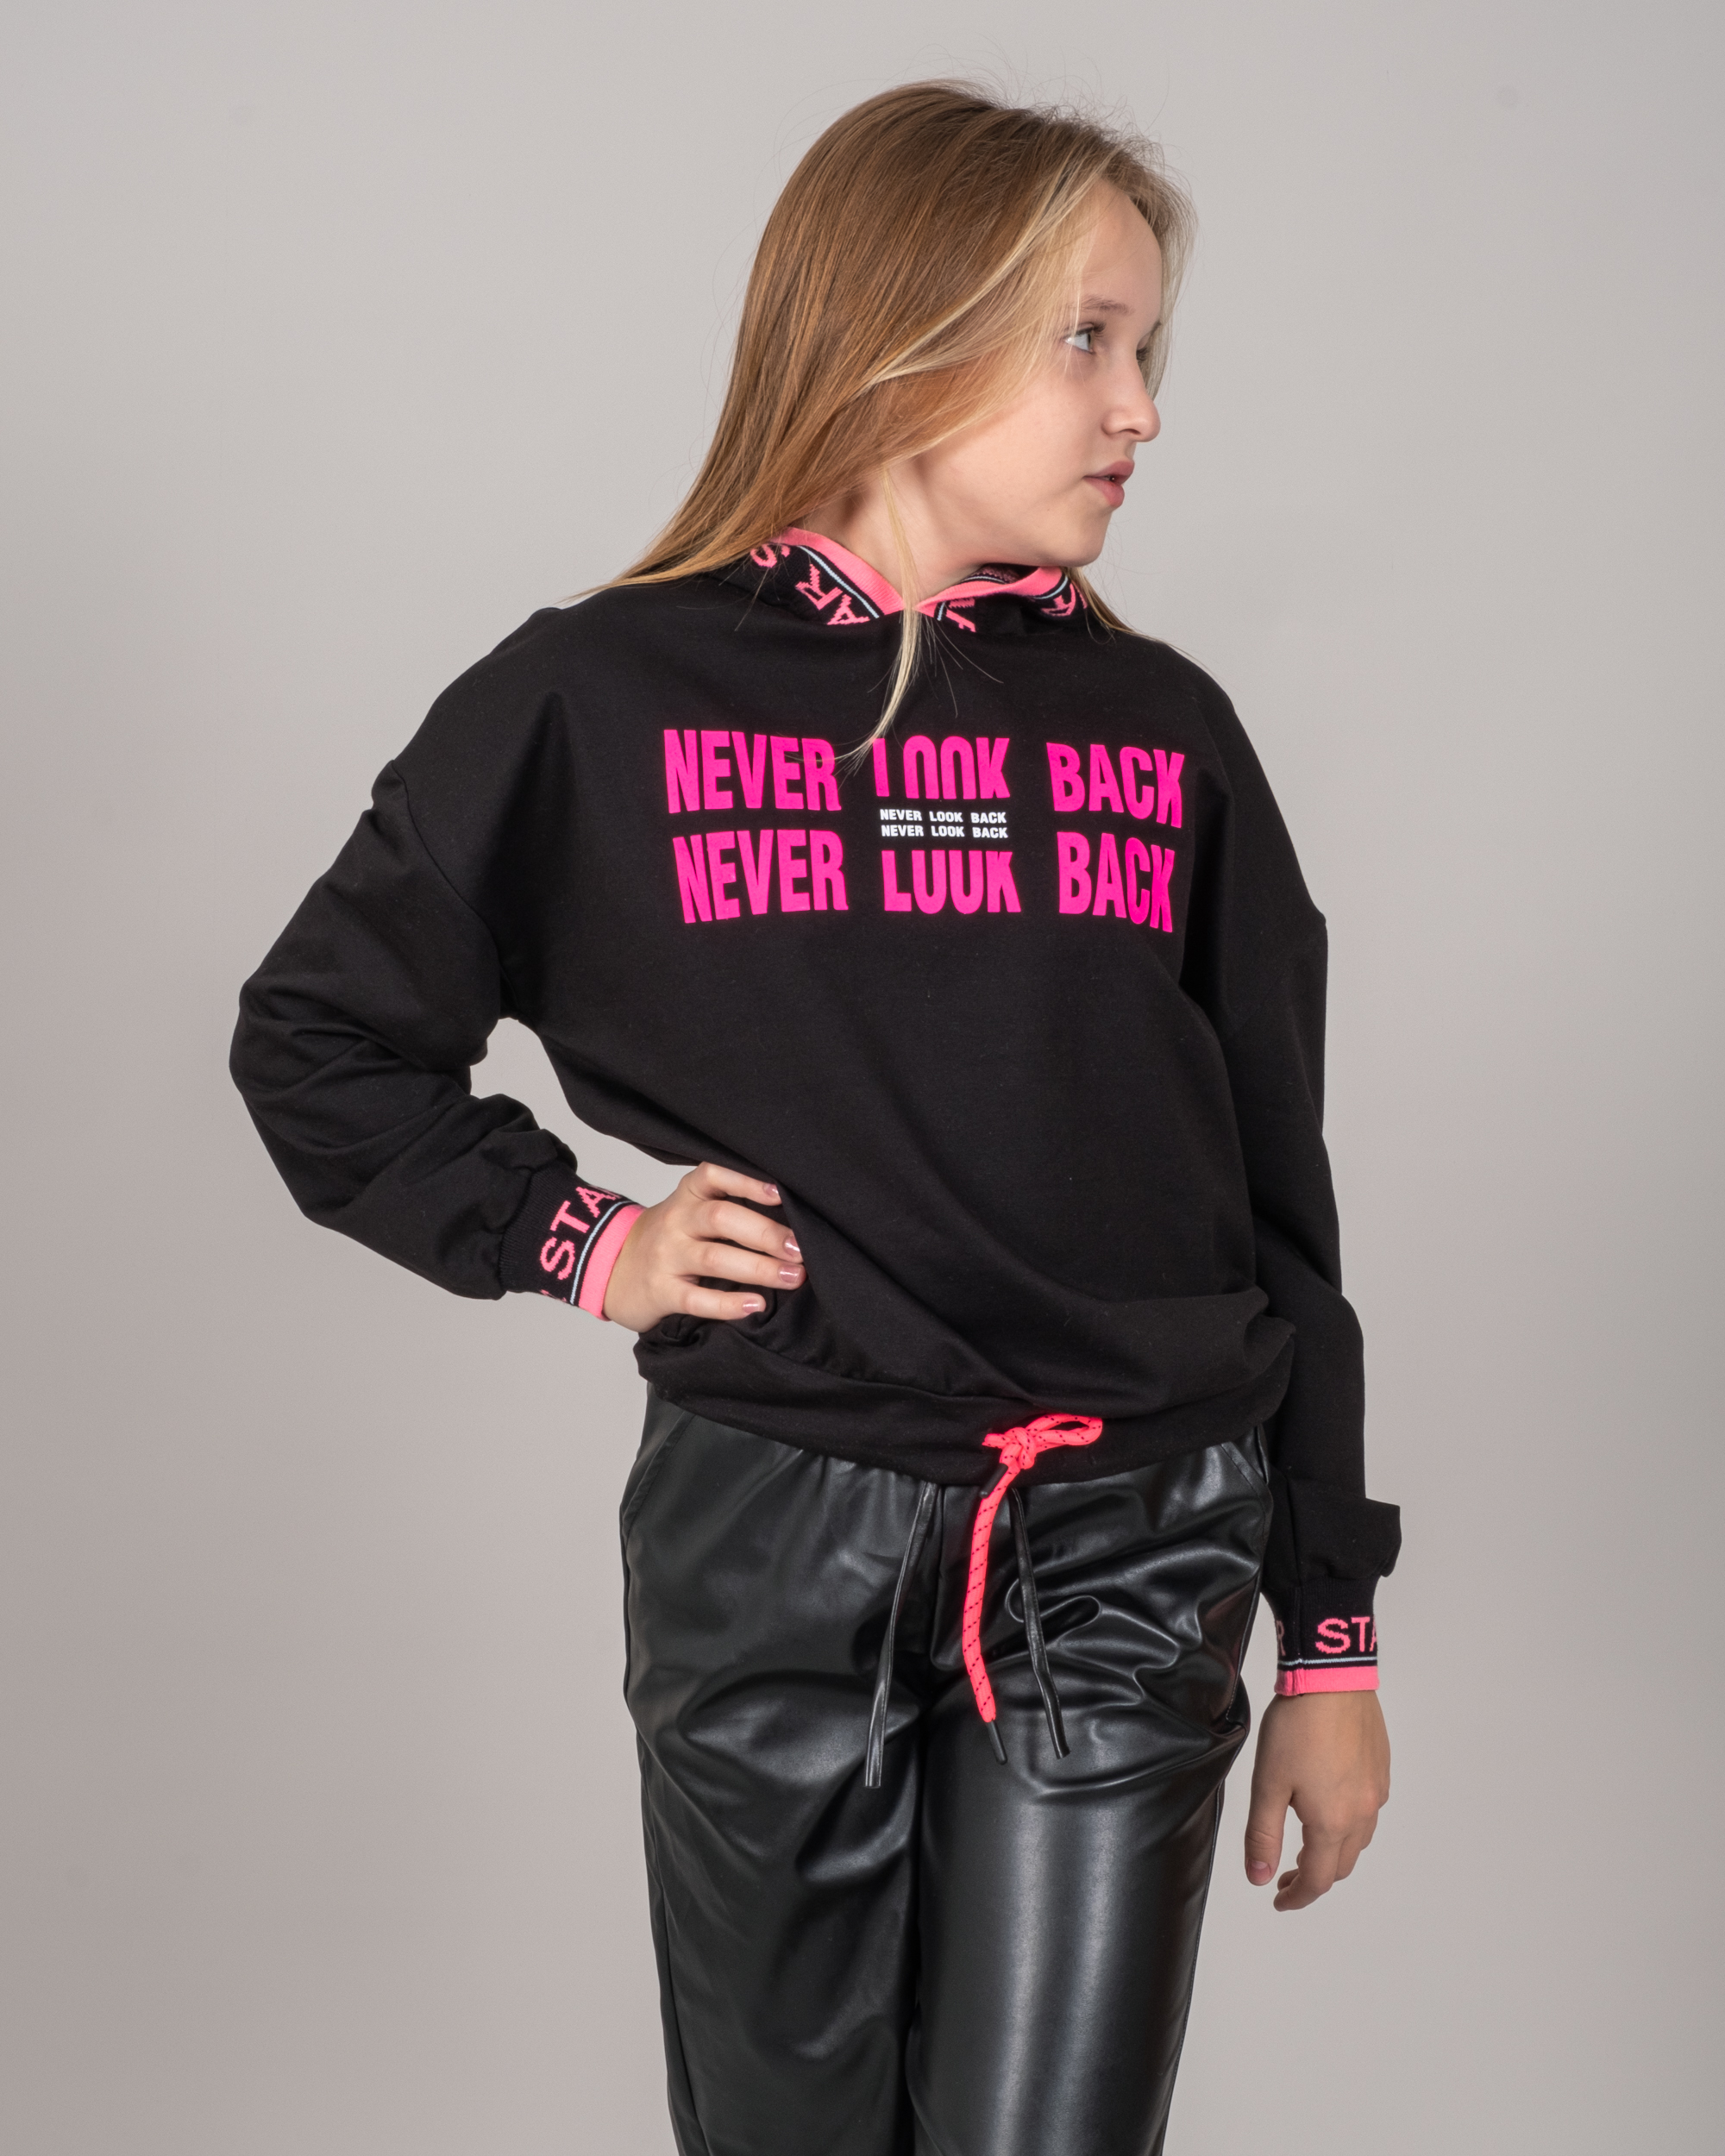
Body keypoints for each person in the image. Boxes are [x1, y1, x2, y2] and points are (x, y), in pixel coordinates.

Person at [231, 80, 1400, 2156]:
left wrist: (1328, 1634)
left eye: (1147, 346)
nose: (1138, 409)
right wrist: (589, 1240)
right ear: (902, 332)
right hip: (775, 1535)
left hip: (1129, 1539)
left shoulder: (1165, 732)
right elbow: (321, 1035)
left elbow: (1275, 1208)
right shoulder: (603, 697)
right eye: (1086, 339)